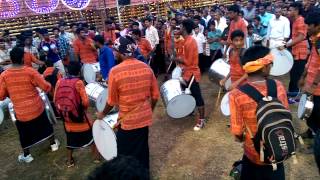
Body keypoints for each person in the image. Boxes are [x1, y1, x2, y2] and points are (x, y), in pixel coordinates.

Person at [96, 36, 159, 174]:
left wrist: (102, 114)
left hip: (127, 121)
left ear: (121, 52)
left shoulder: (115, 71)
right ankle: (144, 174)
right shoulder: (146, 68)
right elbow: (155, 96)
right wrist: (150, 110)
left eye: (115, 50)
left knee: (125, 154)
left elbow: (111, 101)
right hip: (143, 119)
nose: (113, 53)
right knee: (142, 149)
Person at [229, 45, 288, 180]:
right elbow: (285, 114)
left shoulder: (236, 95)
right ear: (265, 67)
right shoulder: (278, 86)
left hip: (253, 155)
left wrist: (243, 138)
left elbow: (237, 132)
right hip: (277, 149)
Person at [0, 47, 60, 163]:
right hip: (37, 107)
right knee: (45, 126)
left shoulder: (4, 76)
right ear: (23, 59)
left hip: (21, 112)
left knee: (24, 134)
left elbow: (1, 95)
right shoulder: (30, 71)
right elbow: (46, 87)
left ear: (11, 60)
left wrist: (11, 94)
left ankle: (27, 155)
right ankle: (53, 144)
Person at [299, 10, 320, 172]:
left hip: (318, 88)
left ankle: (316, 142)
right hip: (311, 84)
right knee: (310, 113)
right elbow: (311, 60)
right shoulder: (315, 40)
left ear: (317, 26)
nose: (306, 28)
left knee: (317, 115)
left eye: (309, 26)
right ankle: (311, 131)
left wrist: (313, 85)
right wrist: (304, 75)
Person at [175, 19, 206, 131]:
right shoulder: (185, 40)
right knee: (186, 92)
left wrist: (177, 59)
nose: (179, 28)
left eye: (181, 26)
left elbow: (189, 62)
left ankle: (202, 121)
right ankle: (190, 110)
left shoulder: (190, 41)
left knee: (197, 96)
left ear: (185, 28)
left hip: (192, 73)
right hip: (186, 72)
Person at [282, 2, 309, 103]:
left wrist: (286, 45)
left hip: (300, 53)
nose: (288, 12)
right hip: (296, 52)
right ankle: (292, 95)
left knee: (297, 75)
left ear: (296, 10)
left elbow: (301, 36)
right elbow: (295, 37)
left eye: (290, 10)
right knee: (294, 75)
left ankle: (295, 97)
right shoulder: (295, 21)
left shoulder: (300, 20)